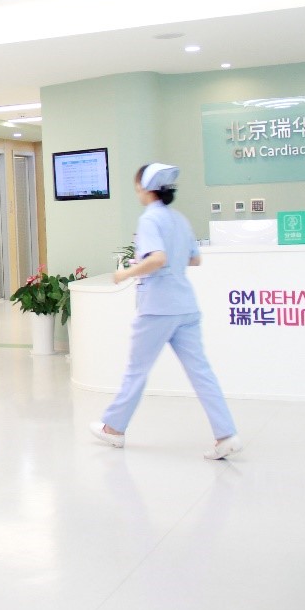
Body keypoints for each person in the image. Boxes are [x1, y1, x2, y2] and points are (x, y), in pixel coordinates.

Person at [89, 163, 242, 460]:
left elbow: (158, 258)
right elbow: (195, 259)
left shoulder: (150, 219)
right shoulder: (179, 219)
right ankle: (226, 434)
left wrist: (125, 273)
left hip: (158, 308)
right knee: (201, 372)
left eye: (137, 186)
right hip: (185, 306)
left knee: (136, 370)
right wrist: (162, 262)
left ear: (146, 188)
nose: (136, 191)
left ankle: (113, 429)